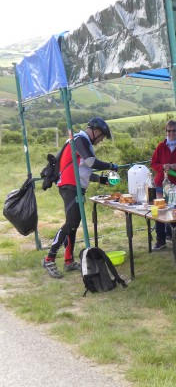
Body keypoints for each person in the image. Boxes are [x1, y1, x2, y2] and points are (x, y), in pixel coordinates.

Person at [42, 117, 118, 279]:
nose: (101, 141)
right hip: (69, 187)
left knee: (74, 224)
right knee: (70, 223)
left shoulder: (83, 142)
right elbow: (91, 162)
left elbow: (83, 170)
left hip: (74, 187)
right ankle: (49, 259)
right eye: (102, 137)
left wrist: (102, 179)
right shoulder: (80, 139)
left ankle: (68, 261)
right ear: (96, 131)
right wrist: (111, 166)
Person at [151, 120, 176, 250]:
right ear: (166, 132)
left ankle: (172, 236)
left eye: (173, 131)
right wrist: (163, 166)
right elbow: (153, 163)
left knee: (175, 211)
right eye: (168, 131)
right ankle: (160, 240)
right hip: (161, 183)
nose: (171, 133)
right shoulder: (161, 146)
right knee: (160, 210)